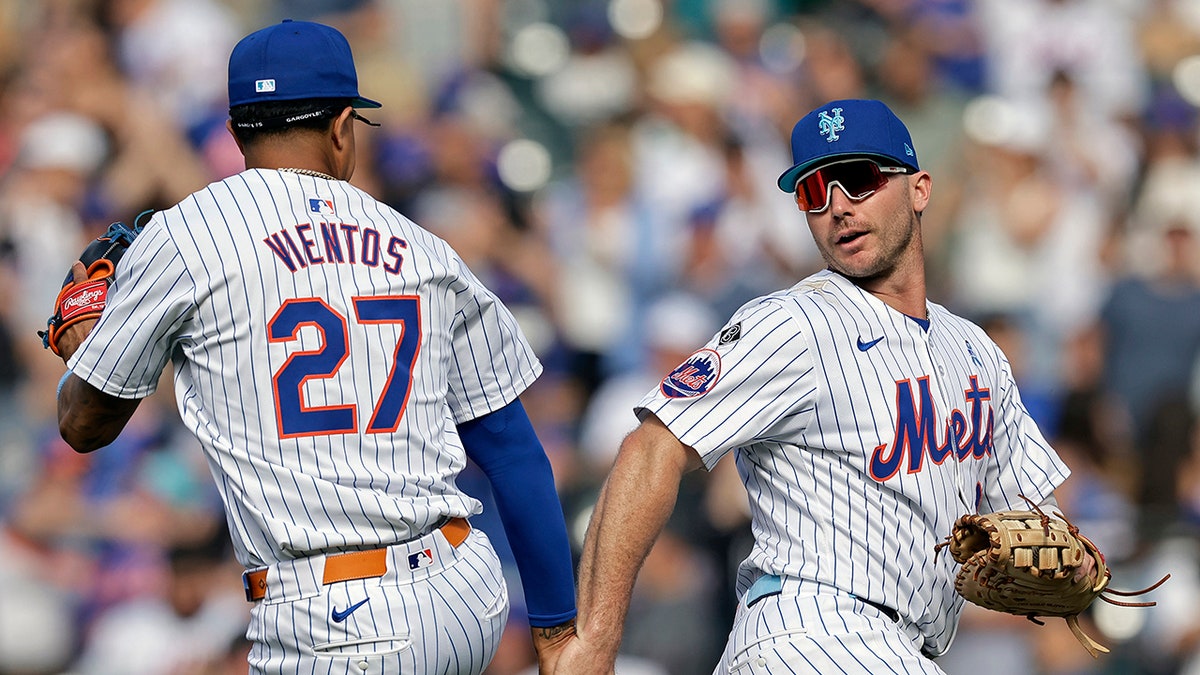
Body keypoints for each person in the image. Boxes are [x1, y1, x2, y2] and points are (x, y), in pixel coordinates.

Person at [52, 19, 576, 674]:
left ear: (238, 128)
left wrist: (86, 349)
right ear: (341, 125)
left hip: (334, 614)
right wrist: (556, 629)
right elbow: (514, 449)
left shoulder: (186, 235)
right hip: (461, 590)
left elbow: (84, 424)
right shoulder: (425, 247)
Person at [552, 98, 1074, 674]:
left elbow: (1033, 520)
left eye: (857, 179)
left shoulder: (976, 351)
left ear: (920, 189)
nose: (837, 207)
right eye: (813, 192)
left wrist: (1065, 571)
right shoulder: (793, 324)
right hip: (811, 630)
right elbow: (649, 448)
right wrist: (596, 638)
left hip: (901, 644)